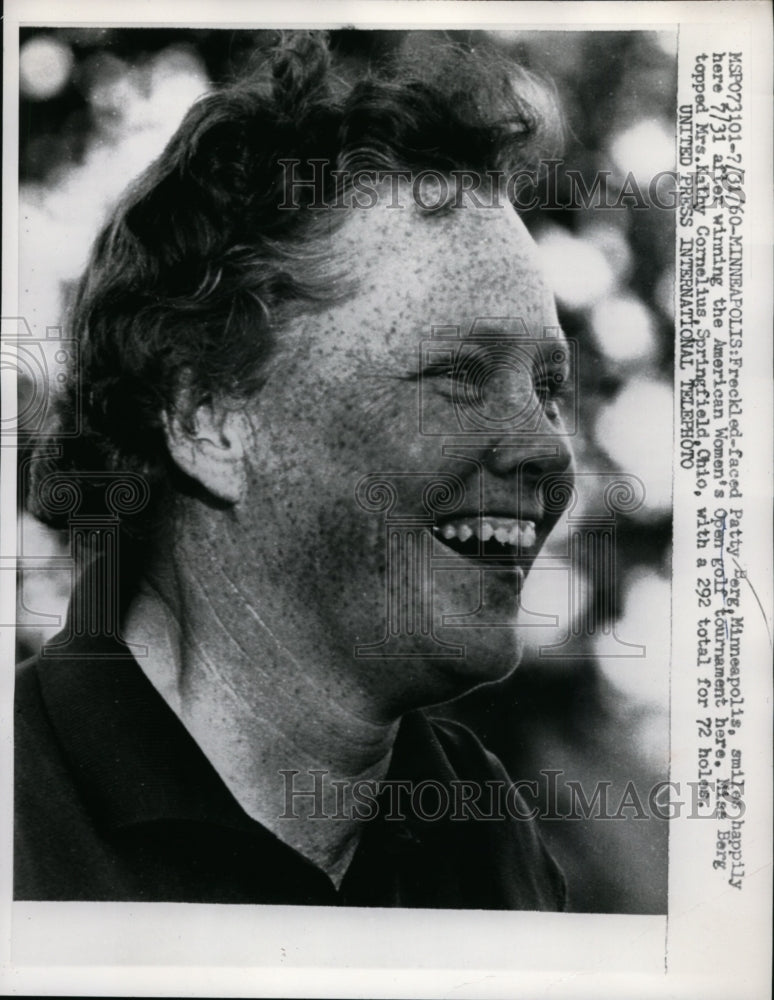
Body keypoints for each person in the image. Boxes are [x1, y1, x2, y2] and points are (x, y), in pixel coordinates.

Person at [15, 30, 574, 908]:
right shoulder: (22, 820)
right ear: (209, 418)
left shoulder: (489, 839)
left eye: (550, 388)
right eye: (459, 375)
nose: (547, 447)